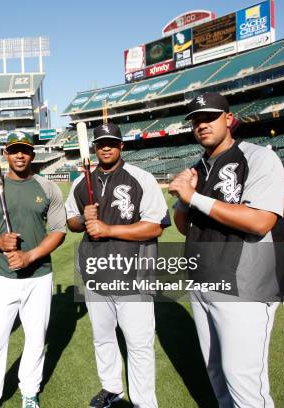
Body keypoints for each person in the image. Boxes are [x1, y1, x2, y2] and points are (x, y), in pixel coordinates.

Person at [169, 92, 284, 408]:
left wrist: (194, 198)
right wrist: (183, 199)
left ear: (228, 118)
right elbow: (185, 226)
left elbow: (260, 221)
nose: (202, 124)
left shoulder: (259, 158)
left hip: (244, 288)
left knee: (245, 387)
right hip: (202, 281)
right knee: (218, 378)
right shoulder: (198, 167)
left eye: (209, 116)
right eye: (195, 120)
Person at [65, 123, 169, 408]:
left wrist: (108, 229)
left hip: (134, 275)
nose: (106, 147)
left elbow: (154, 227)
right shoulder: (79, 183)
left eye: (111, 142)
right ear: (95, 148)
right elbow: (71, 222)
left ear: (121, 146)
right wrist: (83, 218)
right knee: (103, 338)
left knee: (138, 344)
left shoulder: (141, 178)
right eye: (100, 144)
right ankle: (111, 388)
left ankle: (144, 402)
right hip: (96, 274)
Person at [0, 132, 66, 408]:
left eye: (24, 150)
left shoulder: (48, 188)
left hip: (38, 276)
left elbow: (58, 230)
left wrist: (30, 256)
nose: (20, 155)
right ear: (6, 155)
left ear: (32, 154)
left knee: (36, 338)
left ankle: (29, 391)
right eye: (14, 150)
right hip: (2, 276)